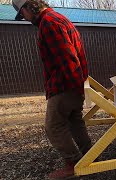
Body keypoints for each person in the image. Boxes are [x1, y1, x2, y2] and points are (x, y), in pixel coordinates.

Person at [12, 0, 92, 179]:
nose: (24, 18)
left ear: (28, 7)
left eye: (22, 14)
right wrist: (79, 86)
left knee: (53, 127)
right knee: (74, 122)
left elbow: (67, 58)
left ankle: (73, 164)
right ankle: (90, 157)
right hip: (74, 84)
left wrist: (70, 87)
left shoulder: (48, 23)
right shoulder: (59, 19)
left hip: (65, 86)